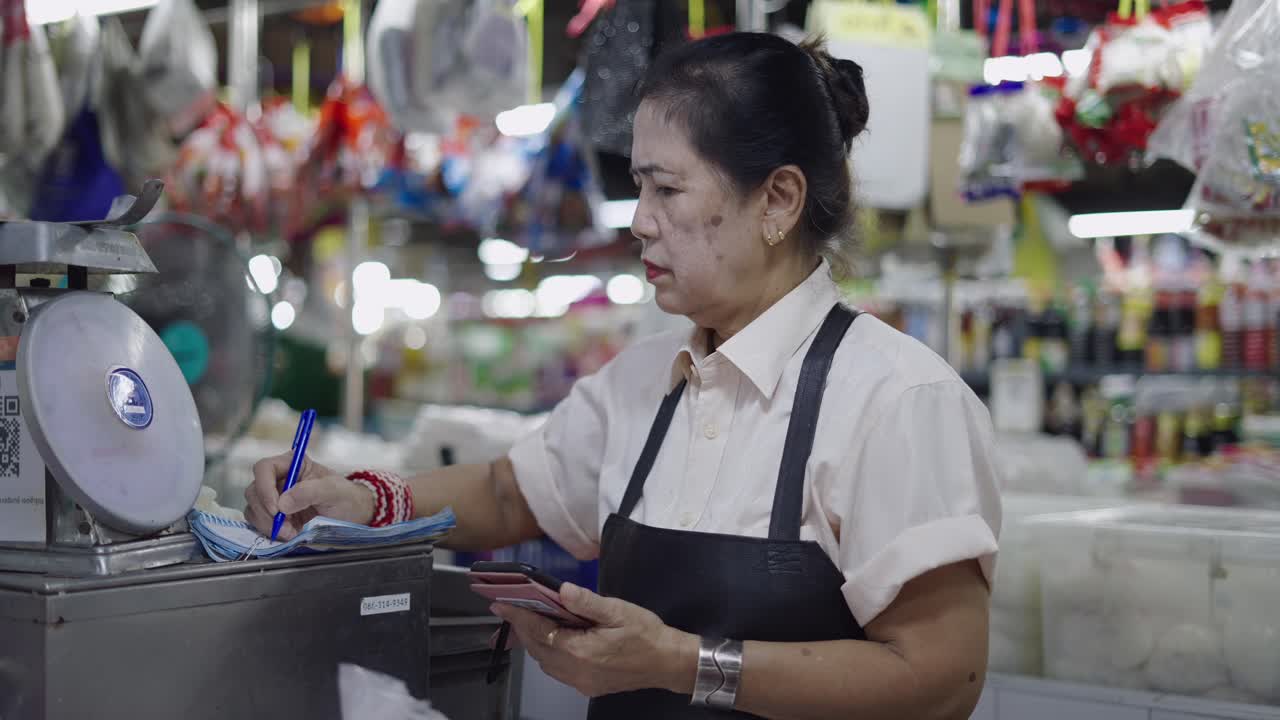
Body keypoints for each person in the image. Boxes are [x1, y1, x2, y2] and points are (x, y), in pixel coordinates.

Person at [246, 32, 1001, 720]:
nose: (638, 220)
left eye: (666, 190)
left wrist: (687, 665)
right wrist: (366, 497)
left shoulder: (897, 399)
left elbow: (940, 680)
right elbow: (512, 494)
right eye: (638, 186)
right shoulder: (645, 380)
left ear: (778, 199)